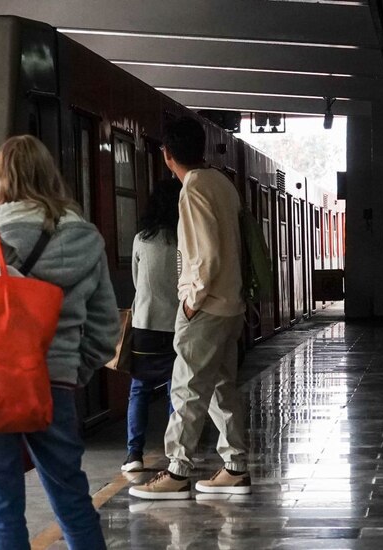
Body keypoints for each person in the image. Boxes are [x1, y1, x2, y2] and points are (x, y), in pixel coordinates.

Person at [0, 135, 119, 549]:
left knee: (2, 508)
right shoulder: (87, 237)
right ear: (49, 174)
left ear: (0, 178)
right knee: (73, 501)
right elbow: (105, 325)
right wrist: (74, 371)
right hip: (54, 384)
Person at [130, 116, 250, 500]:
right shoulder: (222, 183)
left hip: (208, 305)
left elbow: (206, 255)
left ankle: (178, 472)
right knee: (221, 388)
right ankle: (234, 467)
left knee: (186, 389)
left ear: (167, 155)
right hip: (231, 305)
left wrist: (191, 301)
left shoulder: (194, 187)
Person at [122, 178, 182, 473]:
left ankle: (134, 455)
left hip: (145, 324)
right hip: (177, 326)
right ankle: (175, 454)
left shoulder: (141, 239)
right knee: (176, 391)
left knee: (139, 390)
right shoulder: (185, 239)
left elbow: (137, 282)